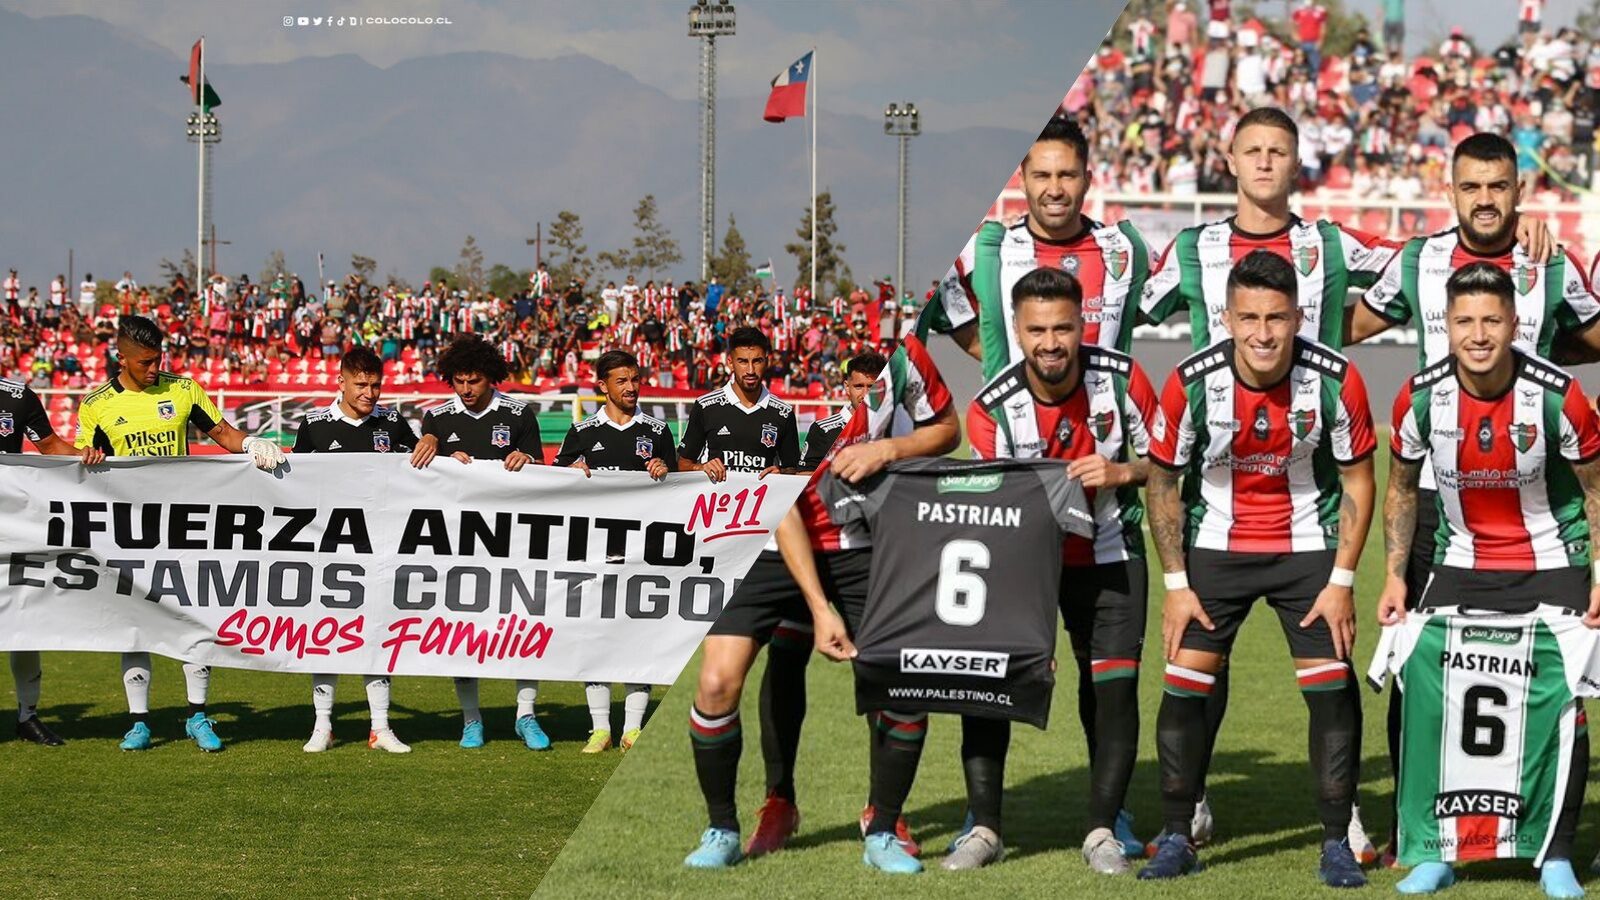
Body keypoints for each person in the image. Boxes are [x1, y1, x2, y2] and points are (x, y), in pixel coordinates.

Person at [1346, 131, 1600, 864]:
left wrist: (1544, 355)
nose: (1485, 200)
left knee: (1544, 678)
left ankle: (1541, 835)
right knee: (1422, 670)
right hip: (1434, 499)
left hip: (1533, 501)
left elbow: (1590, 337)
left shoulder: (1549, 261)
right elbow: (1354, 321)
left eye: (1498, 186)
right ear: (1450, 191)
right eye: (1471, 186)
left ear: (1518, 192)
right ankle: (1415, 831)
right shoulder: (1419, 260)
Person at [1142, 251, 1375, 886]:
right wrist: (1175, 585)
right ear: (1226, 317)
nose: (1264, 333)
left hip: (1307, 553)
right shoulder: (1190, 381)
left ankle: (1335, 841)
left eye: (1277, 317)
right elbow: (1163, 485)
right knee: (1183, 688)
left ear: (1299, 316)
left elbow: (1357, 479)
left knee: (1330, 690)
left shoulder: (1335, 378)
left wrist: (1342, 581)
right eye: (1249, 318)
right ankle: (1176, 832)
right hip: (1213, 550)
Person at [1379, 262, 1600, 898]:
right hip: (1460, 562)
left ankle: (1555, 854)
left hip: (1551, 561)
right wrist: (1395, 575)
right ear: (1445, 327)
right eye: (1465, 321)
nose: (1478, 335)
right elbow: (1400, 489)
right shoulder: (1419, 397)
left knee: (1560, 706)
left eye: (1492, 321)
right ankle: (1437, 850)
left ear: (1514, 324)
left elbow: (1594, 492)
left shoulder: (1558, 396)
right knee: (1428, 701)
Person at [963, 266, 1158, 872]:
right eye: (1038, 330)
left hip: (1109, 555)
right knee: (989, 685)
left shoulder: (1124, 380)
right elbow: (991, 508)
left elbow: (1164, 464)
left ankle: (1105, 827)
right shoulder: (991, 408)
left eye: (1063, 328)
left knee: (1113, 690)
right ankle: (984, 827)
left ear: (1082, 326)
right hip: (1023, 564)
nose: (1051, 342)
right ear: (1018, 333)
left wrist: (1120, 472)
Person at [760, 334, 961, 875]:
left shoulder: (899, 427)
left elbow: (942, 443)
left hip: (871, 557)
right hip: (799, 549)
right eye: (856, 388)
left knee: (884, 675)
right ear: (841, 386)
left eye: (874, 389)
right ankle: (779, 803)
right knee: (783, 661)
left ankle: (883, 813)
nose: (863, 398)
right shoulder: (808, 419)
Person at [75, 315, 287, 752]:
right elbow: (81, 456)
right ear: (122, 358)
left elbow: (223, 432)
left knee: (194, 619)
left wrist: (250, 445)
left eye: (159, 359)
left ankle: (197, 715)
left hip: (183, 528)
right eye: (145, 362)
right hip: (129, 531)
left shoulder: (184, 390)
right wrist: (88, 455)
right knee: (134, 624)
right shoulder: (96, 405)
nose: (154, 368)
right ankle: (139, 721)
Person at [920, 116, 1151, 379]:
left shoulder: (1127, 247)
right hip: (1012, 418)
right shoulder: (987, 249)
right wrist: (999, 354)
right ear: (1022, 181)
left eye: (1067, 175)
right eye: (1042, 176)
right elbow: (941, 303)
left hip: (1100, 418)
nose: (1055, 190)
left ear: (1087, 180)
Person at [409, 335, 547, 751]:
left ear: (491, 378)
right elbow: (418, 477)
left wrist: (529, 461)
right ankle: (472, 720)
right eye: (458, 381)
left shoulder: (520, 414)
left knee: (524, 625)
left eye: (474, 381)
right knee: (462, 630)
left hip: (514, 540)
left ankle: (526, 715)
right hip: (459, 543)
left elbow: (546, 478)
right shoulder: (437, 418)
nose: (466, 390)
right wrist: (431, 447)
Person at [291, 346, 417, 754]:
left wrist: (429, 439)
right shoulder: (312, 426)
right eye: (361, 384)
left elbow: (424, 468)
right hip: (328, 550)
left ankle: (380, 727)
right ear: (340, 381)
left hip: (380, 549)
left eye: (376, 384)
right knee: (324, 637)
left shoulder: (394, 423)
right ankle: (322, 725)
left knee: (378, 634)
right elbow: (295, 489)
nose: (369, 392)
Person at [553, 349, 677, 753]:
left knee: (639, 637)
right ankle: (600, 728)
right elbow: (553, 493)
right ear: (603, 386)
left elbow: (679, 490)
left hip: (645, 554)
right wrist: (568, 475)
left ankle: (633, 728)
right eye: (621, 380)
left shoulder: (658, 431)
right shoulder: (583, 432)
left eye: (635, 378)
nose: (631, 387)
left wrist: (665, 473)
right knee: (598, 638)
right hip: (595, 553)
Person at [0, 377, 85, 746]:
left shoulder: (16, 396)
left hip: (9, 528)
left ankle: (27, 715)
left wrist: (85, 456)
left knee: (22, 621)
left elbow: (49, 445)